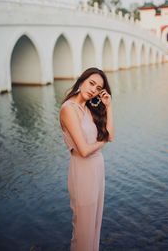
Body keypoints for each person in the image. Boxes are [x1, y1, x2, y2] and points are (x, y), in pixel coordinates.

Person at [59, 67, 114, 251]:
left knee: (95, 225)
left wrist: (108, 106)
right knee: (83, 229)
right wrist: (103, 141)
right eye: (91, 83)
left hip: (97, 167)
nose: (93, 90)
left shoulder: (89, 107)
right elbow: (83, 150)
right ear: (82, 80)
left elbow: (110, 134)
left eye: (98, 88)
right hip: (82, 170)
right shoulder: (68, 109)